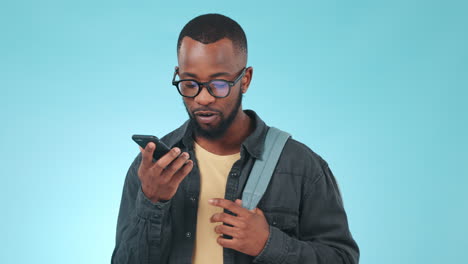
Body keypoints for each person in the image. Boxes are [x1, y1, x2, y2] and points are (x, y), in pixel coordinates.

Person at [111, 13, 359, 264]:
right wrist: (151, 202)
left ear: (246, 80)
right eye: (189, 83)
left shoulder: (301, 167)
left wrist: (269, 244)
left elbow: (342, 258)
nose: (203, 98)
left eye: (219, 84)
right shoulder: (152, 169)